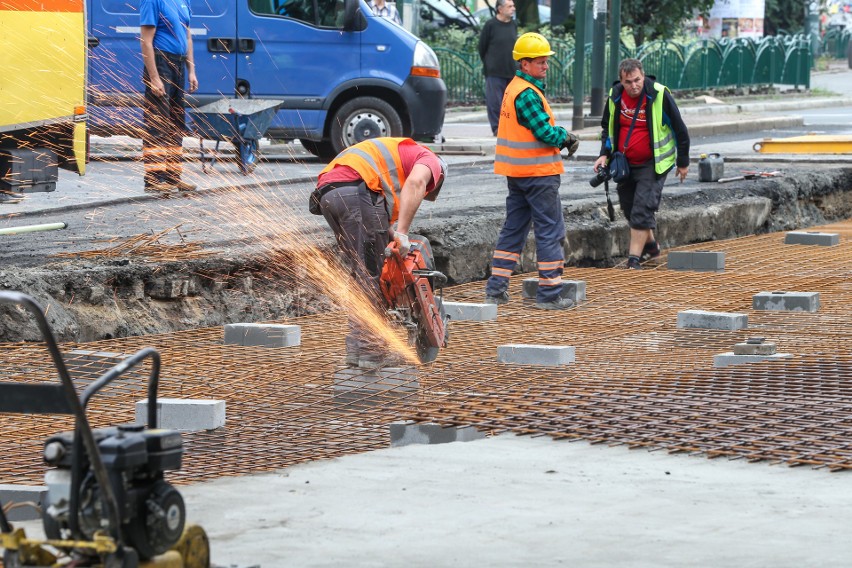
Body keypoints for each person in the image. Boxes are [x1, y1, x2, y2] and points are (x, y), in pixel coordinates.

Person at [312, 137, 447, 368]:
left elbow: (378, 216)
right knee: (373, 276)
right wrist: (403, 232)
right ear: (439, 176)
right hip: (356, 191)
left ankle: (357, 350)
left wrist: (392, 233)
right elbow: (415, 184)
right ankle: (371, 352)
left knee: (360, 274)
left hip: (329, 194)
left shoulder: (398, 156)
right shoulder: (430, 160)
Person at [484, 32, 580, 311]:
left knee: (513, 230)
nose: (545, 65)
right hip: (538, 175)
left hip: (518, 175)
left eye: (545, 61)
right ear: (524, 64)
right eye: (540, 61)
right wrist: (565, 136)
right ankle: (550, 294)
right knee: (550, 230)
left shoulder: (514, 88)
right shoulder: (526, 93)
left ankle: (496, 289)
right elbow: (545, 132)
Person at [593, 58, 690, 270]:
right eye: (628, 82)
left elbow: (681, 130)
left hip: (653, 163)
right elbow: (607, 128)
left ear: (643, 76)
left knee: (642, 208)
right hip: (625, 163)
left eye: (637, 80)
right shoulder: (615, 96)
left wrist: (683, 162)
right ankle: (652, 247)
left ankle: (633, 260)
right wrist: (604, 154)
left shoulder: (659, 94)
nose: (634, 85)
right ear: (621, 81)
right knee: (629, 208)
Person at [140, 0, 198, 194]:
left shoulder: (183, 1)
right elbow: (146, 41)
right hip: (161, 62)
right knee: (157, 123)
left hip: (179, 65)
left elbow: (187, 36)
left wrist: (191, 70)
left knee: (176, 124)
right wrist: (154, 78)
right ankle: (154, 179)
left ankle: (173, 177)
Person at [477, 0, 517, 136]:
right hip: (494, 71)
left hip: (511, 70)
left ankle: (509, 127)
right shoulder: (491, 25)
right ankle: (497, 128)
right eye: (510, 6)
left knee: (510, 103)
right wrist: (489, 63)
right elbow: (482, 47)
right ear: (500, 9)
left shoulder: (513, 24)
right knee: (495, 102)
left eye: (513, 6)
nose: (513, 8)